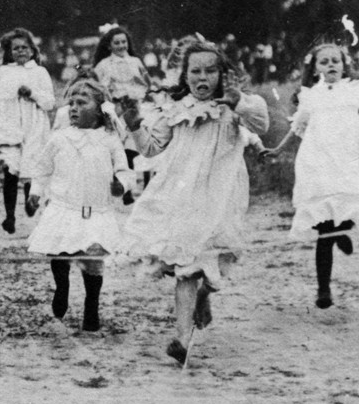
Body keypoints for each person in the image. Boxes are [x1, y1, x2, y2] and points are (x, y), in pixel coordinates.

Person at [115, 37, 269, 366]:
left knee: (218, 254)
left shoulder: (234, 107)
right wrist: (133, 124)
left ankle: (206, 295)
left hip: (221, 194)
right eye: (195, 71)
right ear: (185, 76)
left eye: (211, 71)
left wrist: (237, 100)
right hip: (183, 195)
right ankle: (182, 339)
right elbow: (151, 148)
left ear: (223, 74)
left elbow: (262, 124)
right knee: (186, 267)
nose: (202, 78)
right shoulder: (175, 108)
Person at [263, 40, 359, 308]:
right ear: (315, 70)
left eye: (335, 61)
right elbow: (298, 125)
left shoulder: (357, 91)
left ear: (344, 65)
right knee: (324, 224)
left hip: (348, 161)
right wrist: (277, 149)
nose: (330, 66)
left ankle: (342, 232)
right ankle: (323, 288)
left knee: (347, 206)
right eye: (323, 62)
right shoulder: (311, 95)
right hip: (318, 163)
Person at [26, 78, 131, 333]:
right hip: (64, 208)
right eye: (71, 103)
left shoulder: (109, 139)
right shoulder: (60, 138)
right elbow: (42, 169)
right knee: (60, 255)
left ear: (99, 108)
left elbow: (125, 170)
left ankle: (91, 305)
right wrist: (36, 192)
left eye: (81, 102)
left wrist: (121, 185)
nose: (73, 108)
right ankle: (61, 289)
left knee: (93, 260)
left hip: (96, 211)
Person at [0, 28, 55, 234]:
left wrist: (32, 93)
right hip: (8, 126)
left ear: (32, 51)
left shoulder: (40, 72)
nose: (20, 51)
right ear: (10, 52)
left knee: (30, 170)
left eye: (24, 47)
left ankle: (30, 201)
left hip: (34, 128)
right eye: (16, 48)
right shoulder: (4, 71)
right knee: (10, 170)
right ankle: (10, 217)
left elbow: (50, 102)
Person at [92, 25, 152, 204]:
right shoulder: (103, 65)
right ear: (109, 46)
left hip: (134, 109)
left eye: (123, 42)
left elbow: (146, 83)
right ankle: (118, 184)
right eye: (116, 43)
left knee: (132, 149)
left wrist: (137, 92)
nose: (121, 45)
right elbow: (98, 88)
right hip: (115, 110)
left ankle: (129, 188)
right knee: (116, 148)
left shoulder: (136, 62)